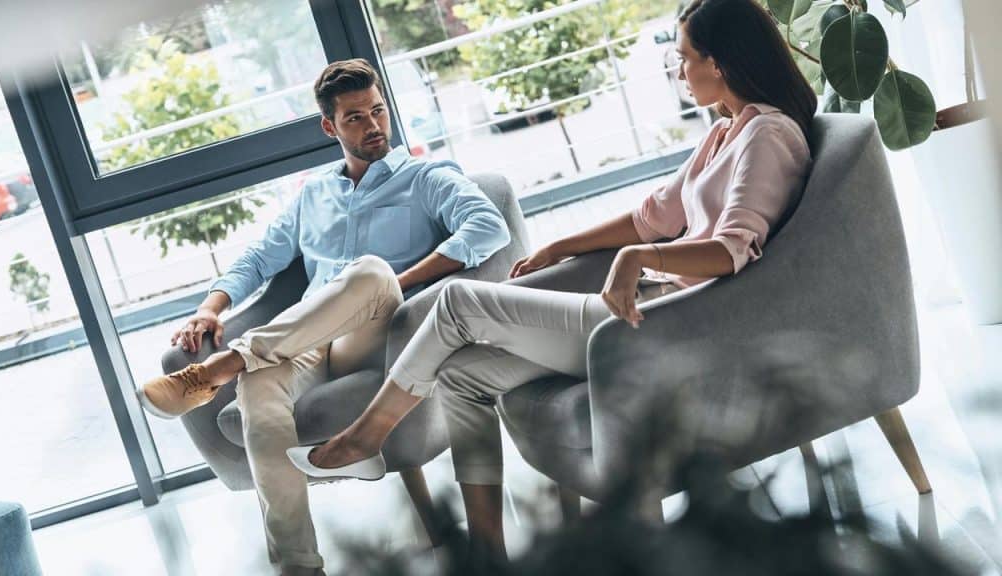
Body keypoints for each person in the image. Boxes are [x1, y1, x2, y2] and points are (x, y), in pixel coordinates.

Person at [291, 0, 818, 563]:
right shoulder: (726, 132)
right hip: (640, 312)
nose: (677, 68)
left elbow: (733, 249)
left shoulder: (767, 135)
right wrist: (562, 244)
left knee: (455, 303)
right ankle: (489, 556)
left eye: (685, 57)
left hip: (666, 325)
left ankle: (367, 436)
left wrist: (636, 259)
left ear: (721, 63)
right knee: (462, 372)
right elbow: (653, 216)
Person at [136, 59, 511, 576]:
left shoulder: (425, 176)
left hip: (384, 332)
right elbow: (257, 258)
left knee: (371, 272)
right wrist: (209, 309)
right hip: (303, 340)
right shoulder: (312, 195)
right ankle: (298, 566)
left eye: (378, 111)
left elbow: (488, 228)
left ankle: (221, 367)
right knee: (258, 390)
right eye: (355, 117)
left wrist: (395, 285)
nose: (374, 125)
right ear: (329, 127)